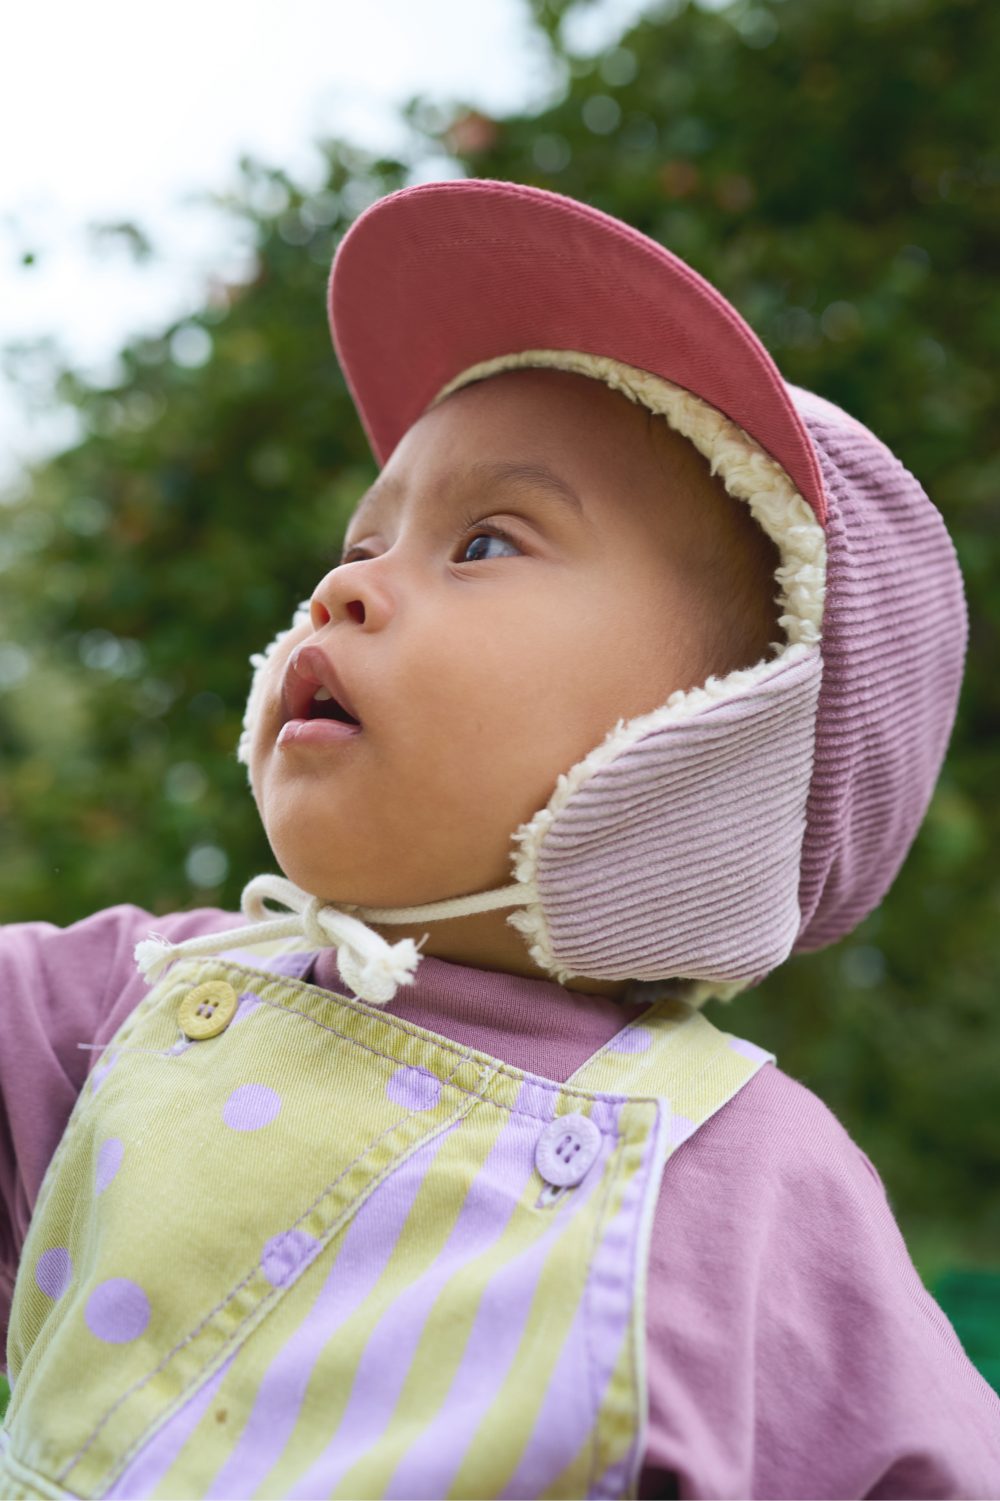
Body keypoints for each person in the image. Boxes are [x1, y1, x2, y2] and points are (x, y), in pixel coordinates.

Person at [1, 178, 997, 1501]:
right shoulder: (136, 999)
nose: (341, 585)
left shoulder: (748, 1183)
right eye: (363, 539)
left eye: (482, 541)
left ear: (724, 737)